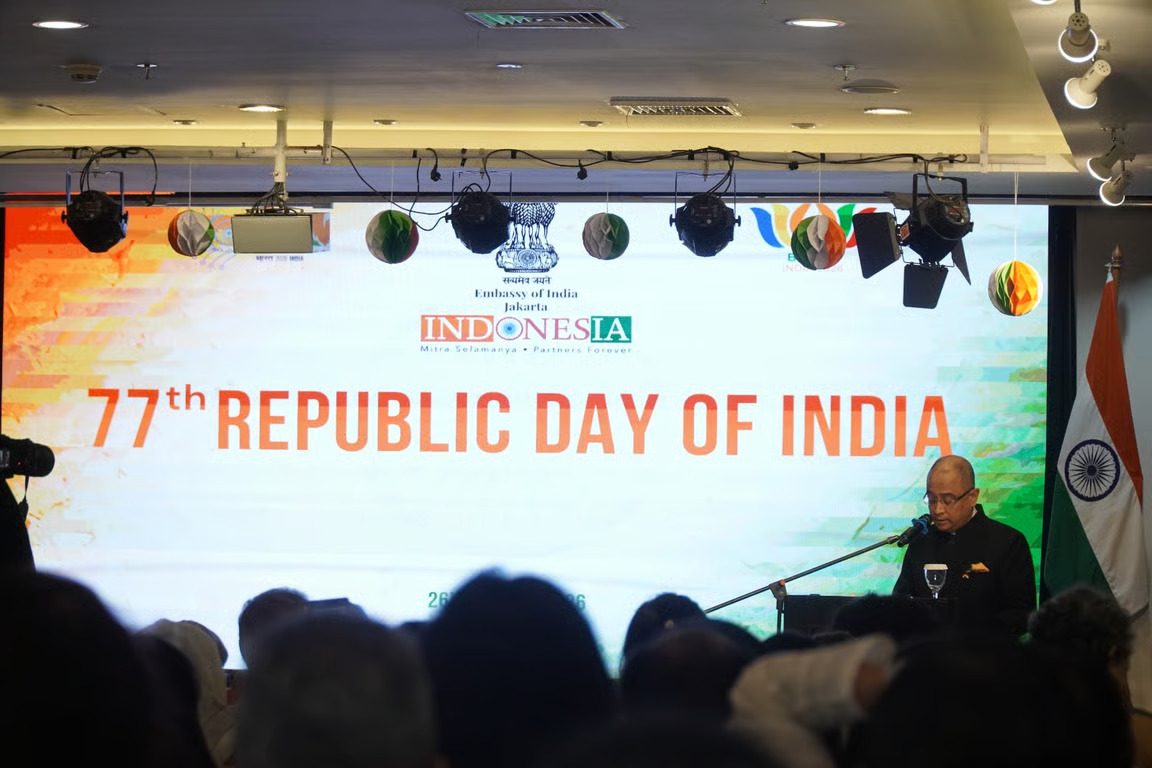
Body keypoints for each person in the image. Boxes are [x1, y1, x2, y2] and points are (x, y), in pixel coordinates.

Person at [892, 455, 1036, 638]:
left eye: (948, 500)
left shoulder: (1008, 542)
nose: (937, 510)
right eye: (932, 499)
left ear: (972, 497)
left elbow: (1021, 615)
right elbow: (899, 603)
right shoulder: (920, 543)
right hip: (926, 650)